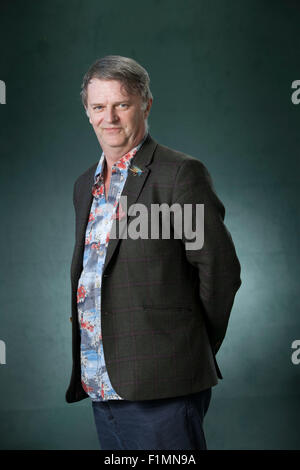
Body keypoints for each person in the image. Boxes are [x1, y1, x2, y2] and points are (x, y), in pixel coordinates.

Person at [65, 55, 242, 450]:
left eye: (121, 105)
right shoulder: (85, 185)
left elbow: (221, 270)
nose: (109, 117)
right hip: (100, 383)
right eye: (98, 107)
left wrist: (190, 344)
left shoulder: (179, 173)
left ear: (145, 105)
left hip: (165, 382)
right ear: (87, 113)